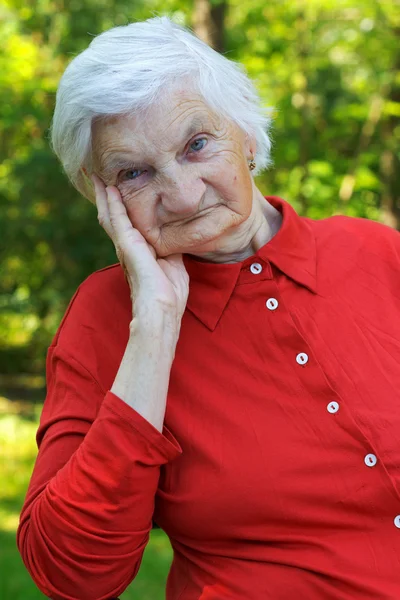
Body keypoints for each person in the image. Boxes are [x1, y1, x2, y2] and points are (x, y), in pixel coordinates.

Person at [17, 15, 400, 600]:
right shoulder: (105, 316)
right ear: (100, 194)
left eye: (196, 145)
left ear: (246, 134)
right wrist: (154, 326)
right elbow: (73, 574)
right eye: (135, 173)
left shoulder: (377, 253)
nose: (184, 195)